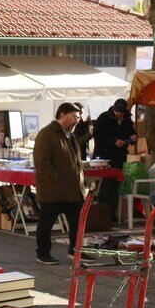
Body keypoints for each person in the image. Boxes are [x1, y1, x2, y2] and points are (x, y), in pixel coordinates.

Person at [32, 102, 86, 264]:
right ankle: (43, 253)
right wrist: (55, 180)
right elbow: (42, 163)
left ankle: (75, 250)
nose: (77, 121)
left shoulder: (70, 135)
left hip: (73, 190)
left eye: (78, 118)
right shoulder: (46, 134)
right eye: (74, 117)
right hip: (53, 191)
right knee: (46, 223)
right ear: (62, 115)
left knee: (77, 223)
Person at [93, 98, 137, 207]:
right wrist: (113, 141)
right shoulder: (104, 117)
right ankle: (103, 210)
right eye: (116, 111)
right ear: (113, 108)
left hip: (119, 157)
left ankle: (113, 211)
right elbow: (97, 135)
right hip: (104, 157)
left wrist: (133, 138)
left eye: (121, 112)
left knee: (115, 186)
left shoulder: (127, 119)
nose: (118, 114)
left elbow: (132, 133)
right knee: (104, 186)